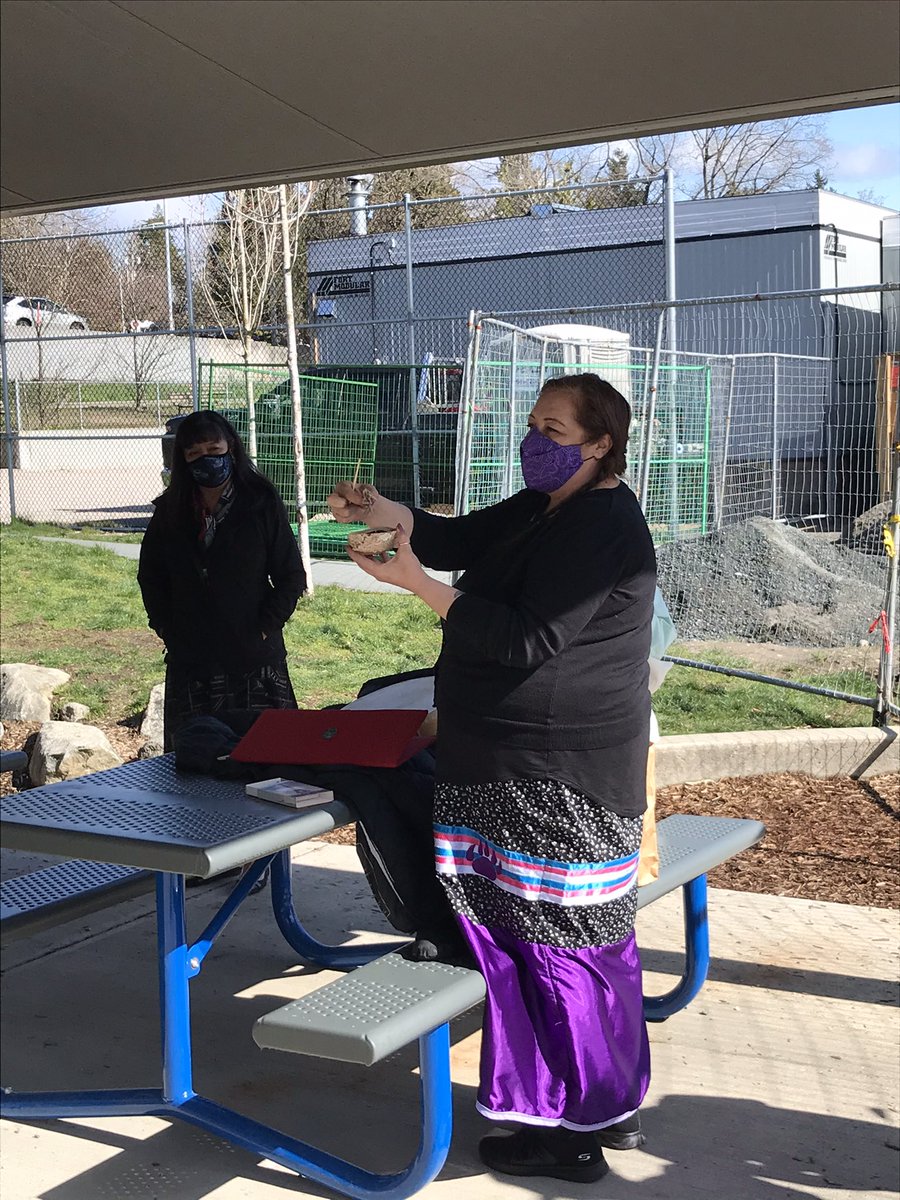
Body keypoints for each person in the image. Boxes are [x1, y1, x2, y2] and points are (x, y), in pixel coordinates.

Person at [327, 373, 656, 1185]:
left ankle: (571, 1131)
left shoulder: (599, 525)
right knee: (564, 944)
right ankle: (601, 1104)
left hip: (550, 774)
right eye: (534, 423)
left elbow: (524, 641)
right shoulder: (550, 507)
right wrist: (389, 517)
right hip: (516, 763)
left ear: (601, 443)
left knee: (555, 948)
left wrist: (417, 587)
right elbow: (455, 538)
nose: (535, 439)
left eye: (556, 429)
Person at [138, 410, 305, 752]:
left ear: (231, 446)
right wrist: (167, 627)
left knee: (269, 760)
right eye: (195, 454)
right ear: (183, 460)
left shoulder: (260, 501)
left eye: (214, 450)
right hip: (192, 664)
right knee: (196, 766)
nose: (207, 460)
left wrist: (265, 626)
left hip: (255, 662)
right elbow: (151, 577)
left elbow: (291, 575)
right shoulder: (170, 510)